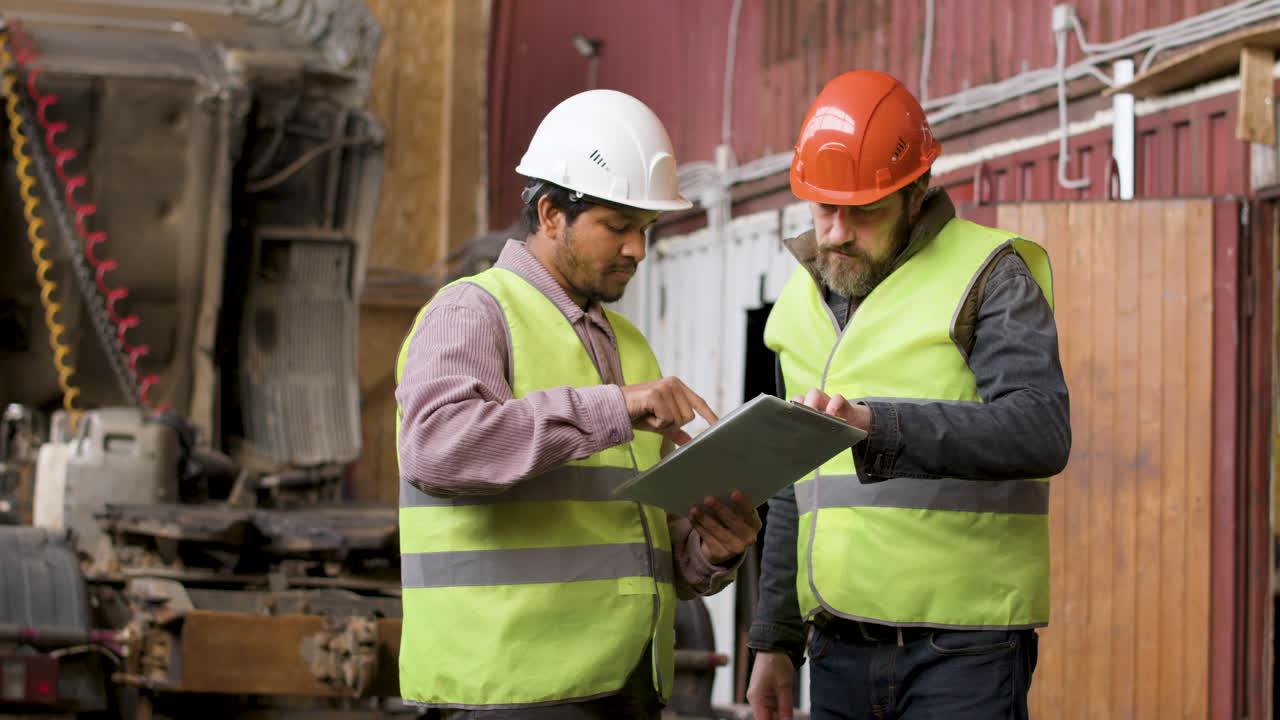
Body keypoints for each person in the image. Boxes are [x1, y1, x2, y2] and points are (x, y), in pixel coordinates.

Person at [395, 88, 761, 720]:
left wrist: (711, 551)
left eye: (644, 230)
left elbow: (638, 540)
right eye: (617, 226)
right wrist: (610, 407)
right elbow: (436, 448)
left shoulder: (630, 346)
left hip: (621, 691)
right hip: (510, 693)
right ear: (550, 214)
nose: (637, 250)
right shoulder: (473, 311)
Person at [746, 70, 1071, 720]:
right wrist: (775, 641)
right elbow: (794, 486)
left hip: (963, 655)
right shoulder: (797, 304)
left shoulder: (990, 275)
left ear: (916, 192)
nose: (836, 233)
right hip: (835, 650)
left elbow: (1040, 430)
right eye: (822, 208)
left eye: (862, 210)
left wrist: (881, 427)